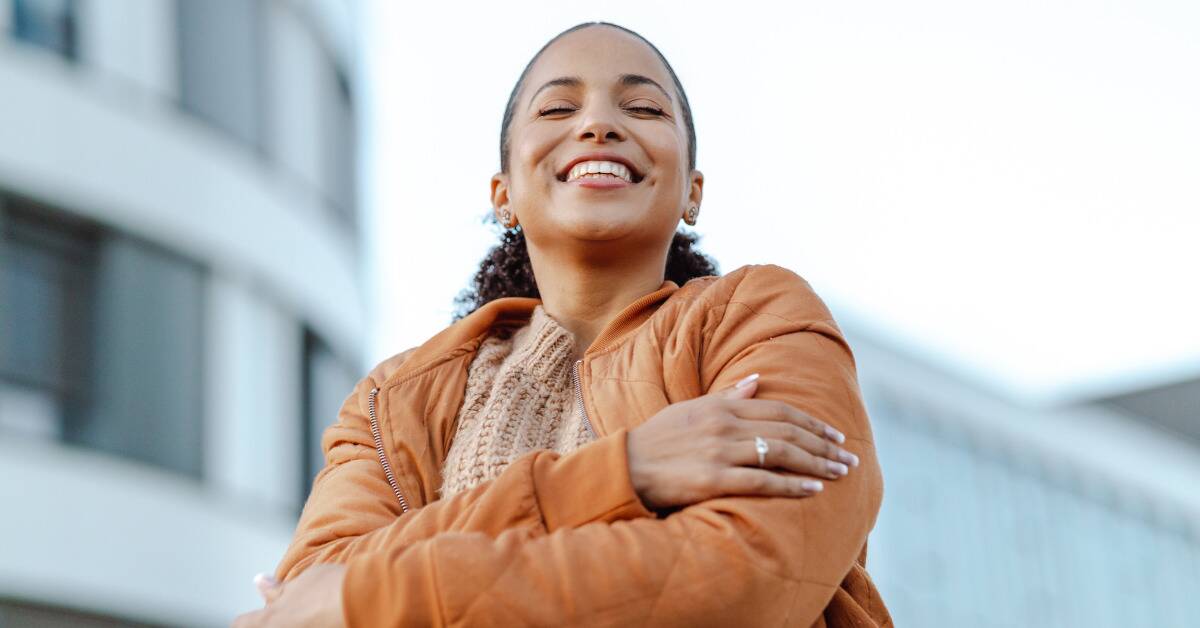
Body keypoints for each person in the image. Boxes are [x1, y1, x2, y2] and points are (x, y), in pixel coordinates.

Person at [233, 21, 891, 628]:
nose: (600, 124)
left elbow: (745, 577)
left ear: (693, 191)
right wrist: (626, 472)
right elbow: (305, 600)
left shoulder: (760, 320)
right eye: (557, 109)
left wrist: (372, 597)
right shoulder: (394, 399)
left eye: (643, 108)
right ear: (504, 195)